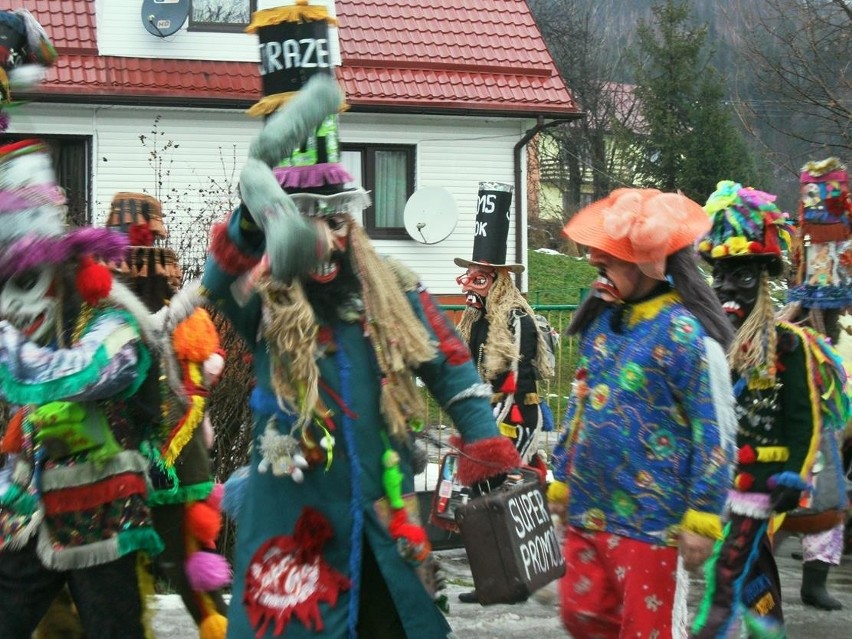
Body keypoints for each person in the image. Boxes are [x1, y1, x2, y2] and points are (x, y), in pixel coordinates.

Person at [200, 11, 521, 637]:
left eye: (337, 221)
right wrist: (256, 207)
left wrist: (484, 443)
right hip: (290, 526)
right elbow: (219, 275)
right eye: (307, 221)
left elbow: (451, 367)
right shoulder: (259, 296)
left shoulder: (392, 290)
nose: (327, 240)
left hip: (380, 512)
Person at [548, 188, 737, 638]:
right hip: (589, 510)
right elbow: (579, 404)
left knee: (645, 630)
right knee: (582, 616)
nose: (598, 265)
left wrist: (703, 516)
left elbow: (716, 430)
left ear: (648, 262)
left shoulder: (685, 335)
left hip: (654, 523)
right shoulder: (602, 325)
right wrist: (561, 475)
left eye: (608, 259)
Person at [0, 139, 164, 637]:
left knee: (113, 628)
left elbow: (91, 371)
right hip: (28, 511)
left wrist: (11, 352)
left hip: (104, 510)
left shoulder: (111, 317)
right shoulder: (20, 320)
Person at [690, 180, 828, 637]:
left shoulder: (788, 345)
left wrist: (796, 474)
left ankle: (733, 629)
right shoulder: (706, 344)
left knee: (731, 569)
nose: (729, 290)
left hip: (762, 483)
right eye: (721, 277)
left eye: (744, 278)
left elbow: (803, 421)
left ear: (765, 283)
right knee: (748, 569)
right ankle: (767, 628)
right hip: (715, 483)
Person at [453, 181, 554, 604]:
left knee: (495, 490)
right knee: (482, 492)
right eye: (469, 277)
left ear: (497, 281)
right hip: (488, 414)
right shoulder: (475, 320)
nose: (470, 287)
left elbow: (518, 378)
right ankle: (495, 577)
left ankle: (511, 574)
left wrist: (496, 429)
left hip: (514, 414)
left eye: (480, 278)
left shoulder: (516, 320)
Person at [779, 157, 852, 611]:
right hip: (793, 425)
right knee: (767, 499)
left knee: (826, 499)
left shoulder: (835, 326)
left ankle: (814, 580)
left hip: (827, 425)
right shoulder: (792, 328)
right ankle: (751, 572)